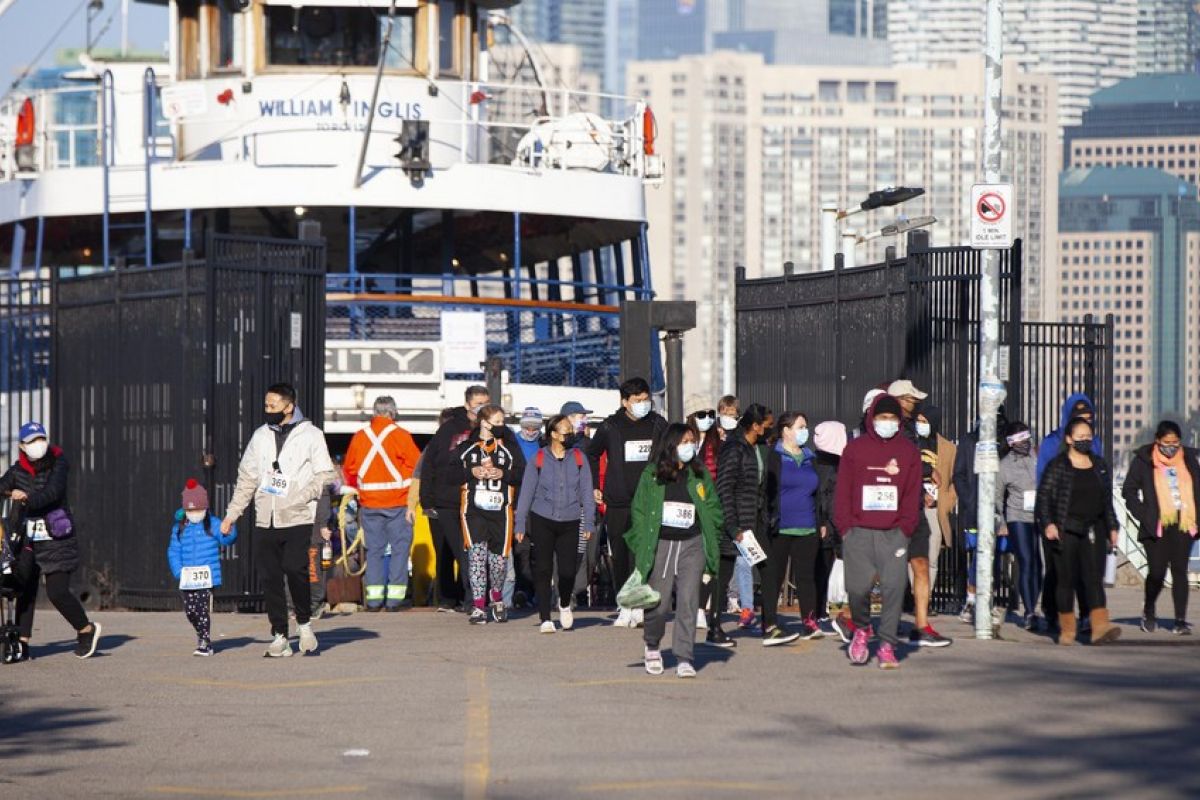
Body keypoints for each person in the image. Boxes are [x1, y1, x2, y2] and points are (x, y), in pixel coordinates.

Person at [222, 383, 336, 658]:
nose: (267, 410)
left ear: (288, 406)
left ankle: (305, 624)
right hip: (266, 518)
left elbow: (325, 474)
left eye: (272, 405)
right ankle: (280, 635)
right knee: (271, 577)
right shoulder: (260, 436)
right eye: (265, 405)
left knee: (295, 569)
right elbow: (247, 478)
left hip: (297, 516)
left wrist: (302, 495)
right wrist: (231, 514)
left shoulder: (311, 435)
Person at [626, 423, 723, 677]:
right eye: (684, 441)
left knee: (689, 600)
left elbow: (713, 506)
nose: (689, 446)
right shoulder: (652, 474)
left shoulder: (700, 474)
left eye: (692, 441)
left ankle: (684, 656)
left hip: (692, 543)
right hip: (662, 543)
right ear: (671, 446)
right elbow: (638, 511)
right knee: (658, 602)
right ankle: (652, 644)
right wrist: (642, 544)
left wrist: (712, 530)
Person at [0, 421, 101, 661]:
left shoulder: (59, 463)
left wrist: (26, 499)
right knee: (24, 587)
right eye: (32, 441)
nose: (37, 444)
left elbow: (52, 493)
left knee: (57, 592)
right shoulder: (17, 471)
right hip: (27, 537)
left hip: (56, 537)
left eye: (40, 438)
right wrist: (8, 493)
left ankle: (86, 629)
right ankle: (23, 642)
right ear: (22, 446)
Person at [835, 394, 922, 669]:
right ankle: (861, 628)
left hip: (894, 532)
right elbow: (843, 491)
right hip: (858, 531)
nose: (887, 422)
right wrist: (846, 528)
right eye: (882, 418)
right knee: (857, 589)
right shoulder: (855, 449)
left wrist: (906, 527)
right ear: (872, 418)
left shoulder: (909, 451)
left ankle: (887, 644)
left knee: (894, 588)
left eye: (892, 418)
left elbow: (912, 493)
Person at [587, 377, 668, 628]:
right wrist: (594, 486)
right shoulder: (611, 426)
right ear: (625, 402)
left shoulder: (658, 424)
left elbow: (670, 453)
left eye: (646, 400)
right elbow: (591, 453)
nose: (643, 404)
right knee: (620, 555)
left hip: (650, 501)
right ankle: (625, 604)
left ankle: (641, 604)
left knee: (644, 554)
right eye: (637, 401)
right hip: (619, 501)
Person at [718, 404, 800, 647]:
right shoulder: (734, 448)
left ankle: (770, 626)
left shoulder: (758, 448)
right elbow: (725, 489)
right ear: (755, 426)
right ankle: (713, 627)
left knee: (769, 569)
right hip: (736, 523)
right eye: (766, 424)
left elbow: (761, 487)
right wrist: (733, 528)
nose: (769, 429)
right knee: (722, 575)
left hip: (755, 521)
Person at [1035, 416, 1121, 645]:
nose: (1085, 440)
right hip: (1066, 529)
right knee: (1066, 579)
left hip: (1094, 528)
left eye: (1088, 437)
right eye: (1080, 437)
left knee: (1093, 578)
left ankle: (1100, 627)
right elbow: (1043, 498)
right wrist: (1049, 524)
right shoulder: (1058, 466)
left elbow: (1107, 501)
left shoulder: (1099, 465)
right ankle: (1067, 629)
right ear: (1069, 439)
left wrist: (1113, 527)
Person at [515, 414, 596, 633]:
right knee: (543, 568)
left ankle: (563, 602)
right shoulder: (538, 459)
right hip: (542, 518)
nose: (569, 434)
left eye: (571, 430)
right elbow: (526, 493)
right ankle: (545, 618)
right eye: (565, 430)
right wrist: (520, 523)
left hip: (571, 519)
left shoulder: (579, 458)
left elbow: (588, 493)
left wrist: (589, 522)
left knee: (568, 571)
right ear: (552, 434)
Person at [343, 396, 422, 612]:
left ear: (374, 412)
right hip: (398, 503)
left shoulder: (360, 437)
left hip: (369, 503)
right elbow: (417, 468)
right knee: (399, 550)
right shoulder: (401, 436)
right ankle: (395, 600)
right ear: (393, 412)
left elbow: (349, 469)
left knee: (374, 551)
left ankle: (374, 600)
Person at [1122, 420, 1199, 635]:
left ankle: (1180, 620)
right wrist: (1144, 515)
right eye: (1167, 442)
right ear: (1157, 440)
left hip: (1183, 523)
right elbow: (1129, 490)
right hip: (1156, 525)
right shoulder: (1144, 461)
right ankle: (1149, 609)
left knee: (1179, 572)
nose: (1171, 447)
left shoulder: (1189, 459)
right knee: (1156, 571)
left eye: (1175, 442)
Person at [455, 404, 526, 625]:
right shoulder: (467, 447)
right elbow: (448, 473)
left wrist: (502, 473)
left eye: (502, 422)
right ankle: (478, 606)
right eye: (497, 422)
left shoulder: (509, 447)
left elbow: (522, 474)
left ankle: (496, 597)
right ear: (484, 423)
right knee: (476, 556)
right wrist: (471, 472)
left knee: (498, 562)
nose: (501, 426)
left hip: (501, 512)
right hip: (474, 511)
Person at [421, 386, 490, 612]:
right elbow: (430, 464)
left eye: (486, 402)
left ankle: (472, 598)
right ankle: (453, 598)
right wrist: (427, 500)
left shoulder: (492, 428)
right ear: (468, 404)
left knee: (471, 551)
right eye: (479, 403)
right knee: (450, 551)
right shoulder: (449, 429)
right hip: (447, 500)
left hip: (476, 500)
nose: (482, 407)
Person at [1037, 393, 1101, 631]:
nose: (1085, 421)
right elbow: (1043, 484)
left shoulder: (1095, 443)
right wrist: (1047, 520)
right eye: (1080, 417)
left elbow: (1101, 480)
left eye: (1089, 417)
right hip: (1056, 517)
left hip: (1086, 518)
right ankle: (1054, 613)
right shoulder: (1051, 443)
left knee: (1086, 568)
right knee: (1057, 570)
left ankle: (1086, 615)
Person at [766, 412, 825, 639]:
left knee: (806, 577)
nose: (804, 431)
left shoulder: (811, 457)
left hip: (807, 526)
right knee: (774, 576)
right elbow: (767, 491)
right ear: (786, 430)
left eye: (805, 427)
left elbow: (817, 493)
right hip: (780, 526)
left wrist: (820, 522)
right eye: (800, 427)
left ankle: (809, 622)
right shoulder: (775, 456)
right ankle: (770, 623)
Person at [168, 479, 237, 656]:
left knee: (201, 608)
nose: (194, 513)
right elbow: (173, 551)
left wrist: (229, 530)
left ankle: (205, 642)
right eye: (190, 510)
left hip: (207, 577)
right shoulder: (180, 528)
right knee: (190, 611)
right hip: (187, 577)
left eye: (198, 509)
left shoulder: (212, 524)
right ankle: (201, 634)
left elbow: (226, 539)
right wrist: (178, 571)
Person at [908, 406, 953, 647]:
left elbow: (954, 480)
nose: (920, 424)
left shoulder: (946, 447)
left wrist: (944, 500)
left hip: (936, 508)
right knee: (912, 557)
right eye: (918, 420)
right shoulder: (910, 442)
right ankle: (915, 600)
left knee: (930, 556)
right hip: (913, 504)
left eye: (925, 420)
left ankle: (926, 599)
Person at [996, 422, 1042, 630]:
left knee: (1038, 564)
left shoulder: (1038, 456)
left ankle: (1034, 601)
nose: (1023, 442)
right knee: (1026, 560)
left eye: (1025, 437)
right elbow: (997, 497)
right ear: (1010, 443)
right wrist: (1002, 522)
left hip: (1040, 516)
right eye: (1018, 439)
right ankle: (1030, 611)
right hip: (1017, 517)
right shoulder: (1005, 465)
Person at [813, 421, 847, 632]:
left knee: (821, 567)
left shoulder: (814, 462)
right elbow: (828, 497)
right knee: (823, 568)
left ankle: (820, 609)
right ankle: (821, 609)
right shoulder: (833, 466)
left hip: (823, 522)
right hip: (831, 523)